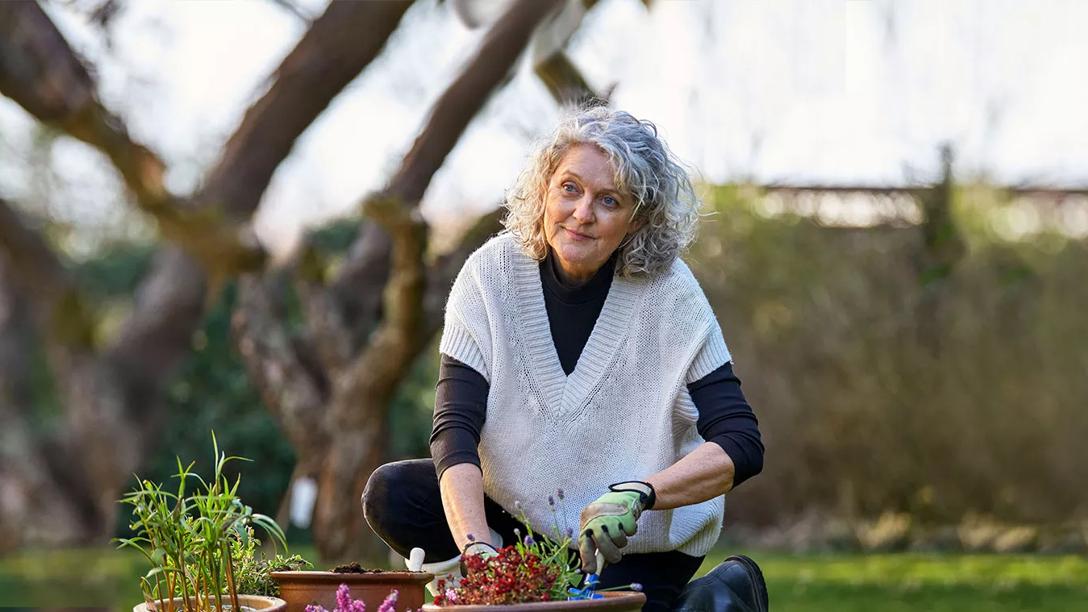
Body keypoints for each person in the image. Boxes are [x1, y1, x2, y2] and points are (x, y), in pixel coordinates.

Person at [363, 107, 767, 611]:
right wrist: (477, 545)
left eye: (609, 200)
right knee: (396, 493)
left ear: (636, 218)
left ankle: (716, 595)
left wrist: (640, 493)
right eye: (570, 188)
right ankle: (495, 591)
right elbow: (454, 429)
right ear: (545, 189)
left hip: (631, 542)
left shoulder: (670, 294)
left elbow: (741, 442)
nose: (582, 213)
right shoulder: (489, 276)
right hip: (517, 521)